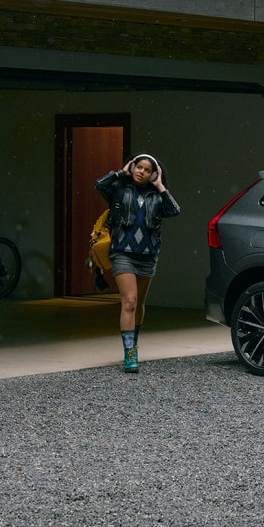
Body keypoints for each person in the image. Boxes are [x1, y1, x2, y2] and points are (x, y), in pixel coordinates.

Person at [94, 154, 180, 373]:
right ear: (132, 167)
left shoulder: (157, 196)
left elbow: (174, 211)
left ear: (154, 173)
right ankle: (130, 353)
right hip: (123, 253)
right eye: (138, 167)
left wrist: (160, 186)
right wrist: (121, 173)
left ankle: (134, 340)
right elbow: (99, 184)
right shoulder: (119, 190)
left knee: (140, 303)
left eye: (147, 169)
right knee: (129, 301)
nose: (141, 171)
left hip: (147, 255)